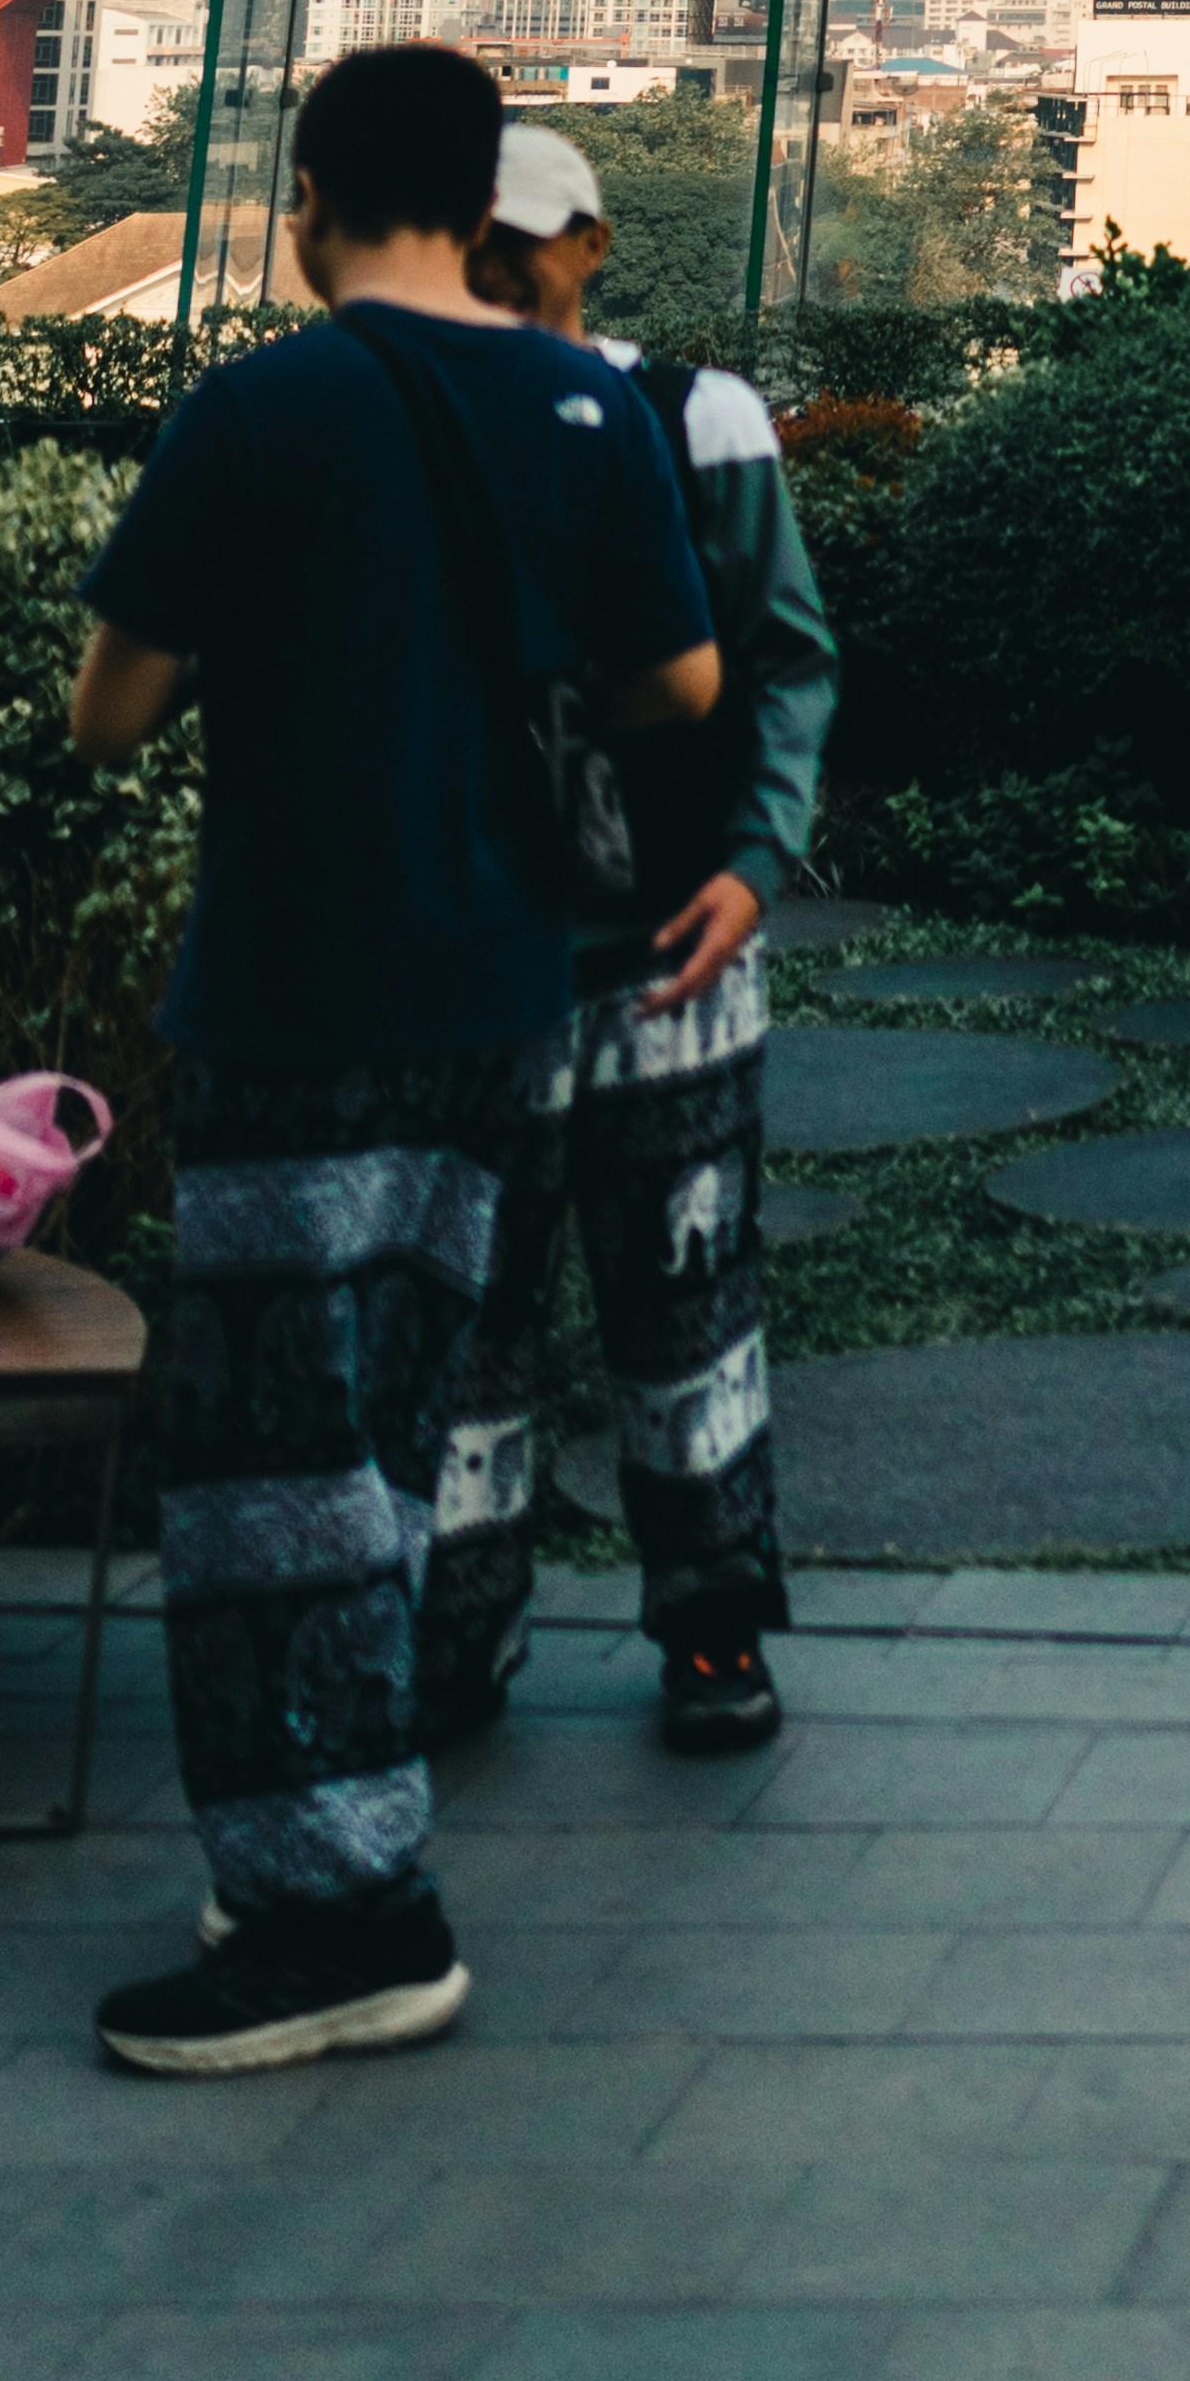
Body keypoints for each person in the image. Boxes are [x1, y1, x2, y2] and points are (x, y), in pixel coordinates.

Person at [67, 36, 716, 2073]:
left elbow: (110, 707)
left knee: (265, 1467)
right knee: (384, 1441)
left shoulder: (260, 406)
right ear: (482, 199)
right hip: (506, 996)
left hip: (297, 987)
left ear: (313, 191)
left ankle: (337, 1915)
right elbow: (680, 674)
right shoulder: (586, 401)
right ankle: (332, 1843)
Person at [442, 118, 844, 1765]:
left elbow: (791, 657)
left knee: (683, 1297)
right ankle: (453, 1629)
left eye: (530, 234)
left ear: (590, 242)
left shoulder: (699, 419)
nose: (504, 261)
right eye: (475, 232)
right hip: (475, 956)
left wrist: (757, 859)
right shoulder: (420, 425)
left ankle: (710, 1624)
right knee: (468, 1312)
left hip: (673, 941)